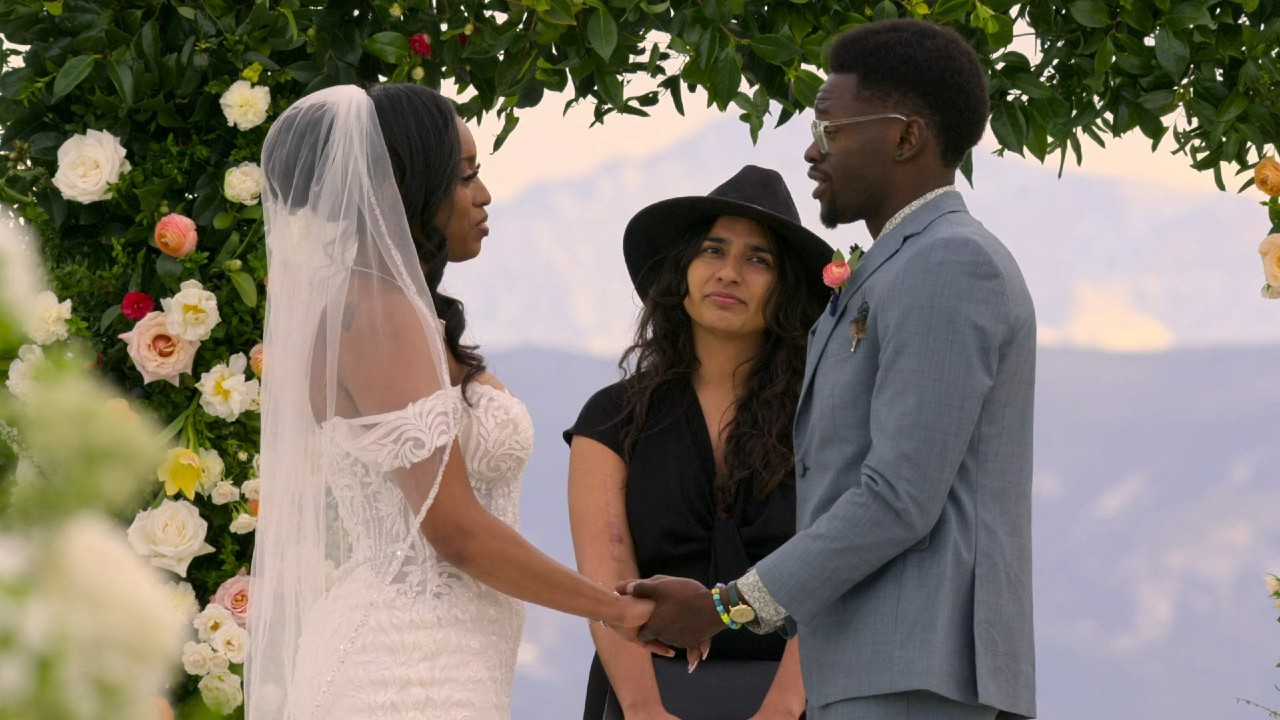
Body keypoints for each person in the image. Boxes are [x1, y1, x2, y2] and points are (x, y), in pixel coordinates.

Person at [622, 19, 1038, 720]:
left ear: (907, 137)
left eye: (830, 130)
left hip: (918, 680)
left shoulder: (948, 263)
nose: (812, 153)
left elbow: (898, 496)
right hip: (869, 672)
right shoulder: (896, 267)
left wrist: (728, 605)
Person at [245, 84, 653, 720]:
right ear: (399, 194)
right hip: (407, 669)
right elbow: (455, 532)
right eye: (465, 178)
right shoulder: (380, 314)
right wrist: (617, 609)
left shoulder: (390, 311)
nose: (485, 196)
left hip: (445, 655)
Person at [565, 165, 830, 719]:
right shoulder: (610, 418)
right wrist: (645, 710)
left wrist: (784, 707)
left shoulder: (824, 416)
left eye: (759, 259)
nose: (730, 273)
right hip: (642, 697)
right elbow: (606, 583)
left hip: (804, 696)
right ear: (680, 272)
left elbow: (840, 563)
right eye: (713, 250)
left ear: (786, 289)